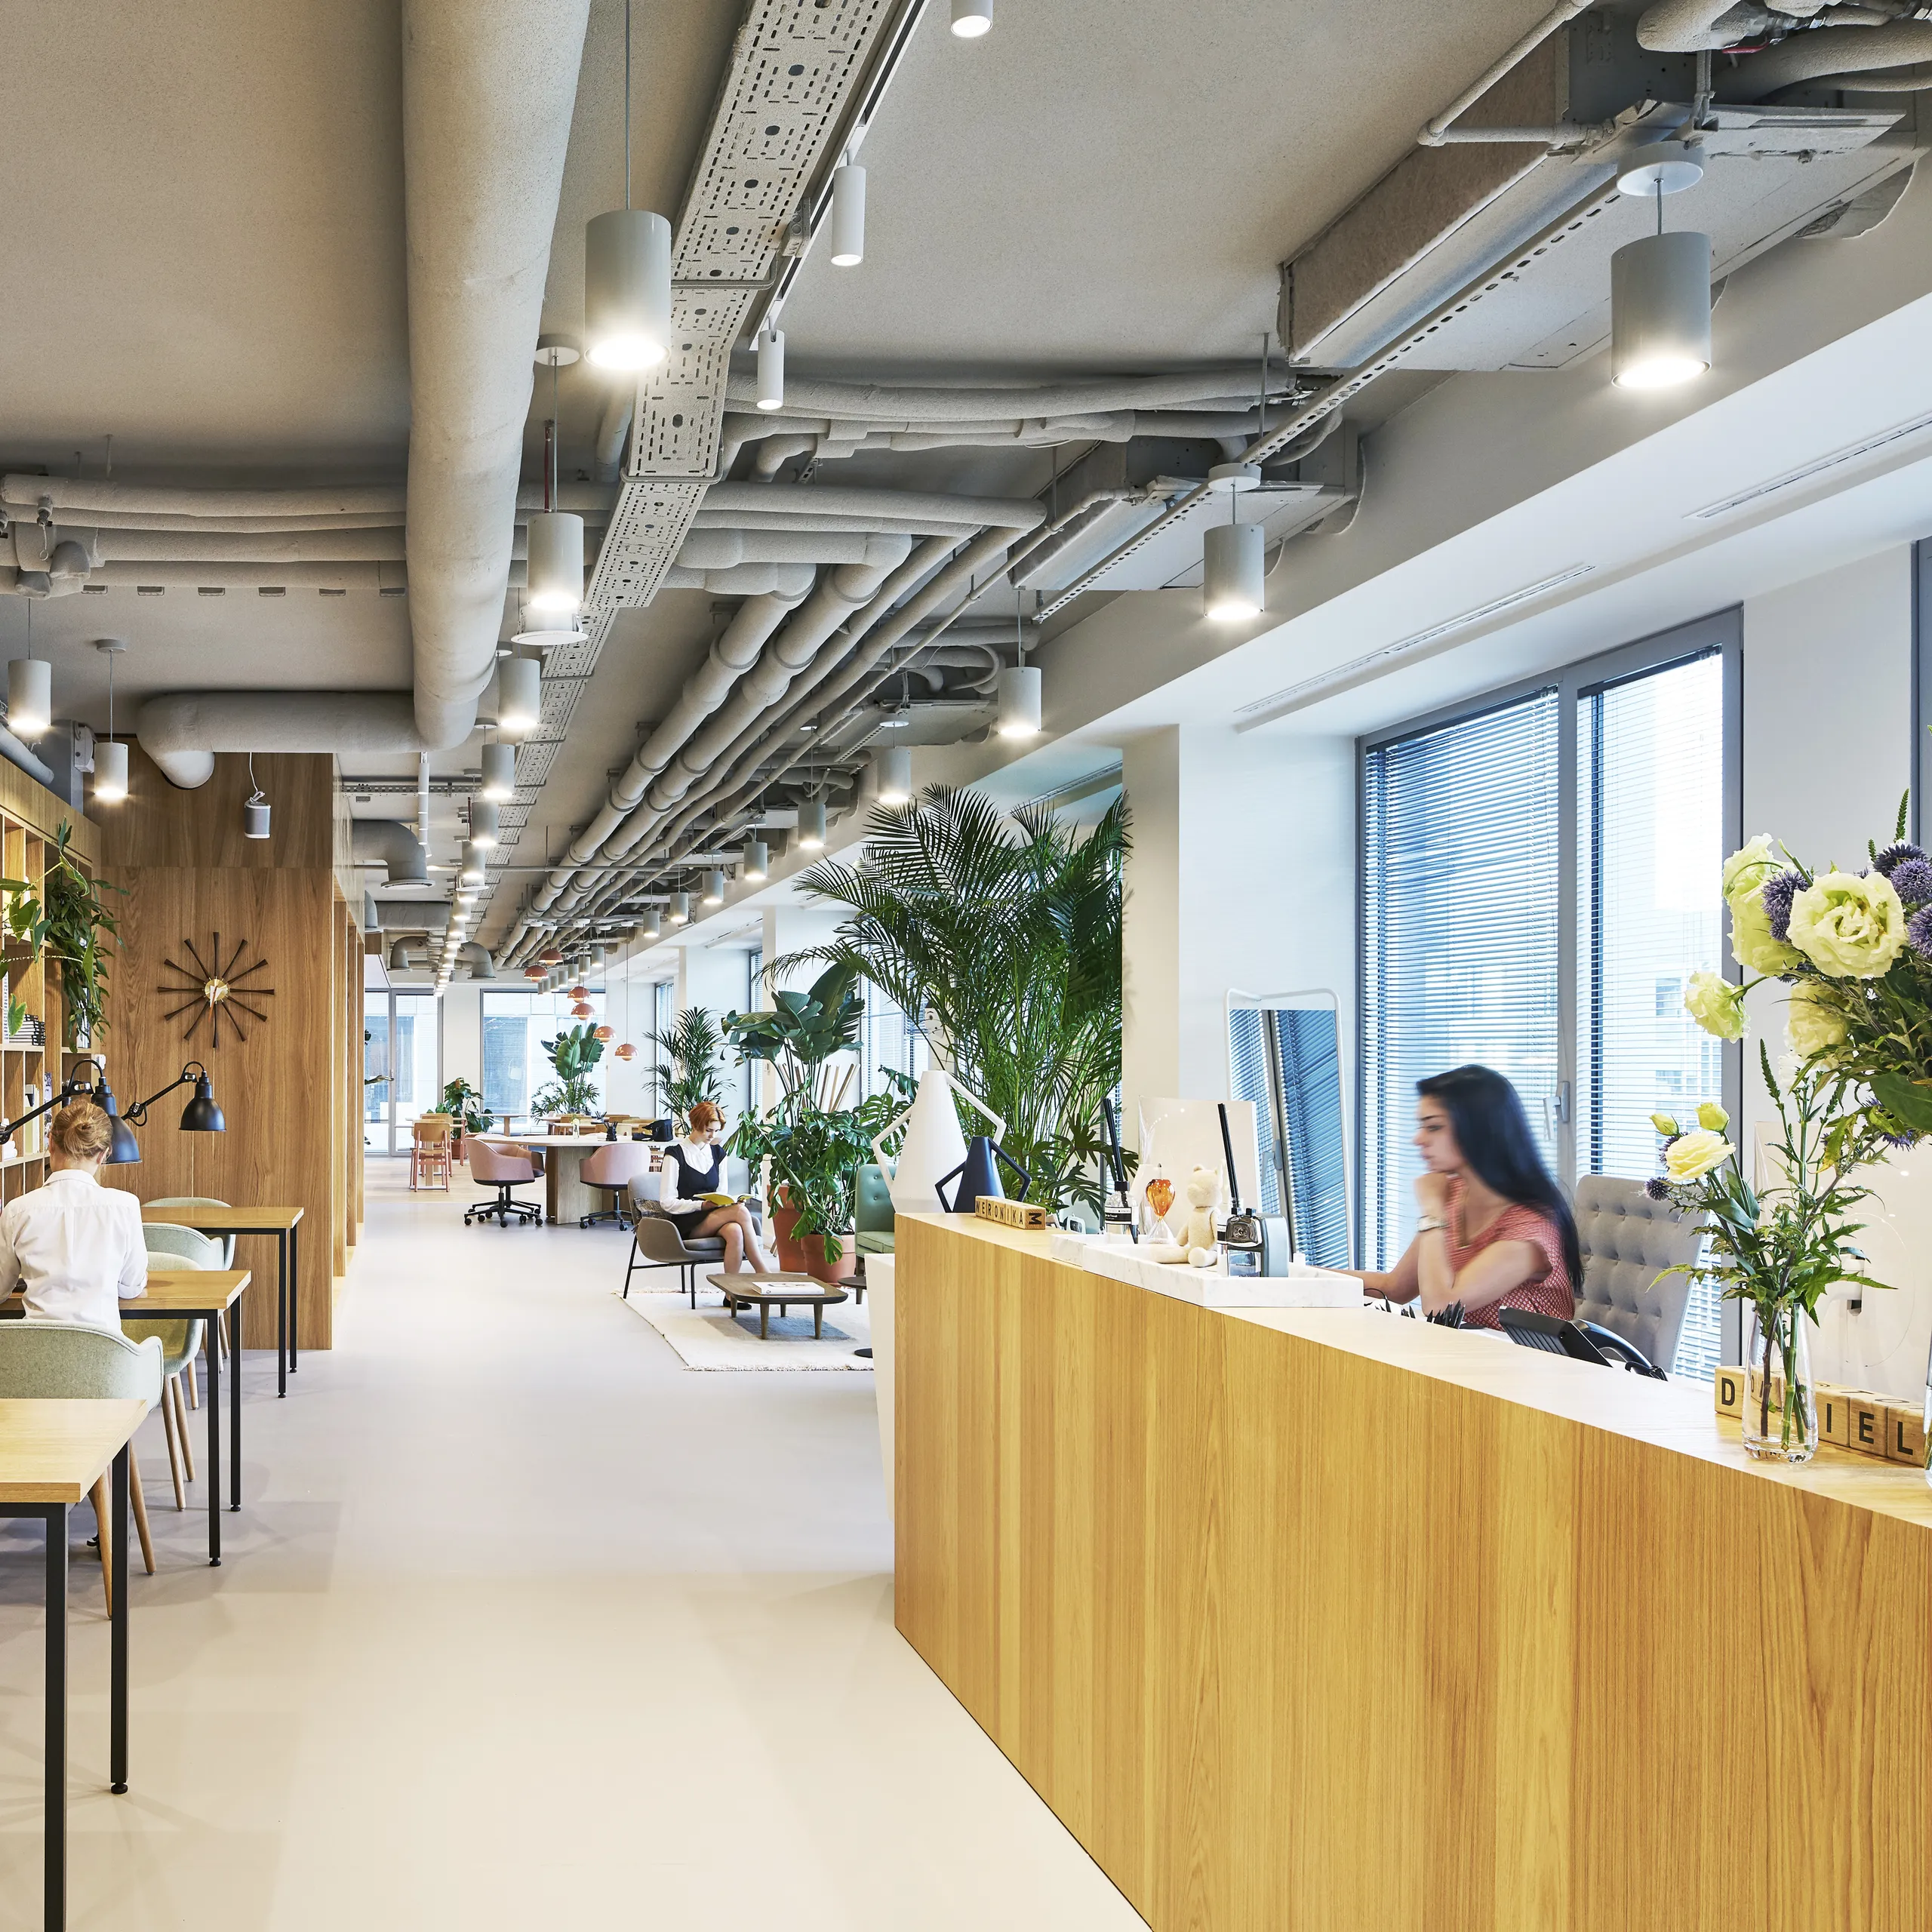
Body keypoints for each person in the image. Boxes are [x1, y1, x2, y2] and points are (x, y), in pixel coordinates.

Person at [1352, 1064, 1579, 1331]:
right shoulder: (1456, 1193)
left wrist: (1433, 1211)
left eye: (1434, 1127)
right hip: (1464, 1356)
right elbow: (1394, 1288)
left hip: (1527, 1367)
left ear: (1479, 1130)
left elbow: (1440, 1306)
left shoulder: (1531, 1228)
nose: (1418, 1139)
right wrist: (1298, 1275)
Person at [0, 1100, 148, 1327]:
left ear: (50, 1143)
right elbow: (131, 1287)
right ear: (104, 1154)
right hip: (106, 1356)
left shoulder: (17, 1211)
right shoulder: (125, 1206)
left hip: (33, 1356)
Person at [656, 1100, 772, 1274]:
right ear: (695, 1125)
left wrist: (726, 1202)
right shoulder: (675, 1154)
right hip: (687, 1222)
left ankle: (730, 1295)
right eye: (708, 1130)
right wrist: (700, 1205)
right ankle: (762, 1271)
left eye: (716, 1131)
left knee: (735, 1231)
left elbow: (722, 1192)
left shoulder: (718, 1154)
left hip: (714, 1217)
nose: (712, 1136)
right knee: (740, 1212)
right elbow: (666, 1202)